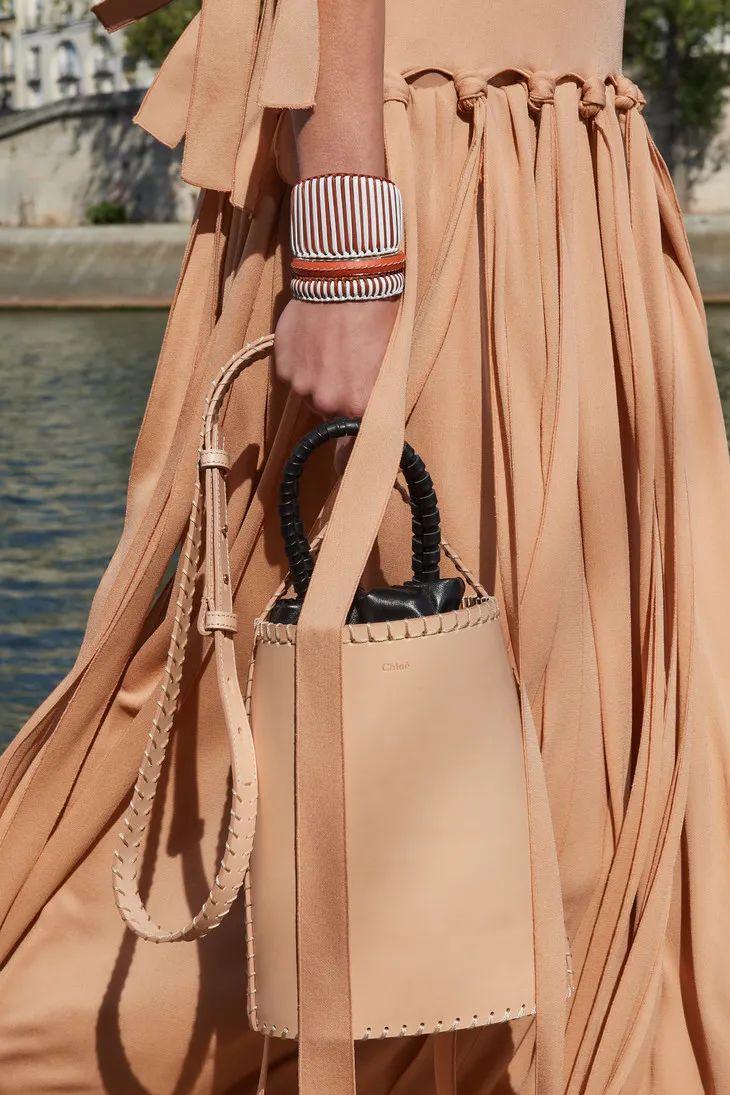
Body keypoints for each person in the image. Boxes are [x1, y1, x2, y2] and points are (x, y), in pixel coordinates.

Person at [1, 0, 729, 1091]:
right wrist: (347, 225)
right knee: (393, 743)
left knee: (604, 768)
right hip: (441, 164)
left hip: (571, 168)